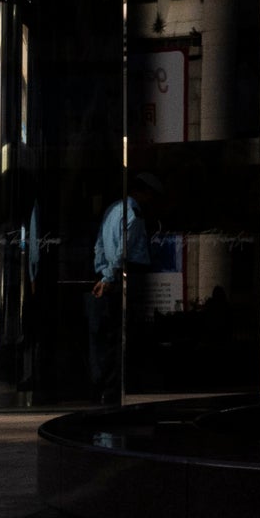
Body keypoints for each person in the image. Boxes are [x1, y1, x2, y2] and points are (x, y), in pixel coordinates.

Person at [90, 171, 155, 406]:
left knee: (111, 333)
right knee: (123, 334)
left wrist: (103, 273)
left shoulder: (112, 210)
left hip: (111, 276)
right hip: (127, 276)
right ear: (142, 192)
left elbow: (99, 245)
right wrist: (109, 277)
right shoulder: (133, 214)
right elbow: (124, 251)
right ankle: (115, 387)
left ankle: (106, 385)